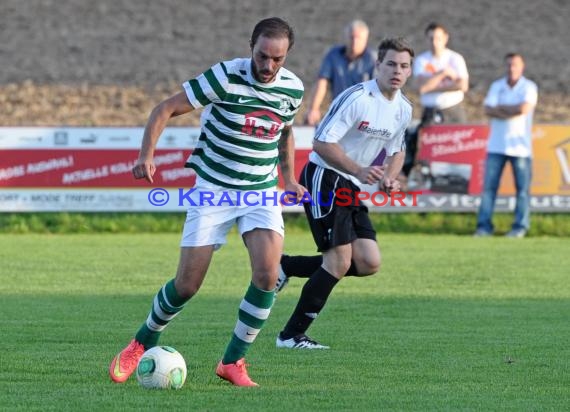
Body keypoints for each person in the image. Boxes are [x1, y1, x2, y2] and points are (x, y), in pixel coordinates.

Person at [108, 17, 306, 387]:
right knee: (187, 285)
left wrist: (289, 178)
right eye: (262, 56)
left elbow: (286, 131)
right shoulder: (225, 77)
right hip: (213, 188)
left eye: (277, 59)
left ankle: (232, 362)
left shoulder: (292, 89)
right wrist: (145, 155)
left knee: (267, 275)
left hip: (260, 191)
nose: (268, 66)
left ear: (287, 56)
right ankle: (142, 341)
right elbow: (164, 108)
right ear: (251, 47)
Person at [274, 37, 414, 349]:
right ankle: (291, 336)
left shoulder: (403, 108)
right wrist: (360, 170)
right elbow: (322, 143)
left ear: (409, 72)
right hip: (325, 177)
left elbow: (397, 151)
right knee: (338, 261)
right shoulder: (357, 98)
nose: (397, 70)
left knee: (367, 262)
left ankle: (287, 266)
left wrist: (389, 179)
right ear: (377, 66)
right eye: (391, 63)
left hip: (350, 185)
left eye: (404, 66)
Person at [474, 53, 538, 238]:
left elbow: (523, 109)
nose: (512, 68)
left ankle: (520, 227)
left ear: (522, 66)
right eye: (509, 65)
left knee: (522, 191)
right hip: (496, 146)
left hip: (521, 148)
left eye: (515, 65)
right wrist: (512, 110)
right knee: (488, 189)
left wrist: (500, 109)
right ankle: (484, 227)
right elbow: (487, 109)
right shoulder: (497, 86)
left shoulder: (529, 86)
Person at [403, 22, 469, 177]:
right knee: (429, 149)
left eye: (438, 38)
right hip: (430, 111)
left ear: (445, 38)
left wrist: (431, 84)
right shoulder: (422, 61)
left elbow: (462, 85)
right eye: (431, 38)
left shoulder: (455, 58)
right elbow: (420, 87)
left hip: (453, 110)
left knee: (457, 148)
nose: (434, 42)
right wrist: (443, 75)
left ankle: (457, 183)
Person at [304, 19, 376, 126]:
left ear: (365, 40)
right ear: (346, 37)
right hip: (339, 112)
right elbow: (322, 82)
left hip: (365, 115)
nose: (354, 42)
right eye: (352, 37)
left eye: (359, 38)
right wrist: (313, 109)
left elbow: (379, 90)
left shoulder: (373, 59)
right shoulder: (333, 55)